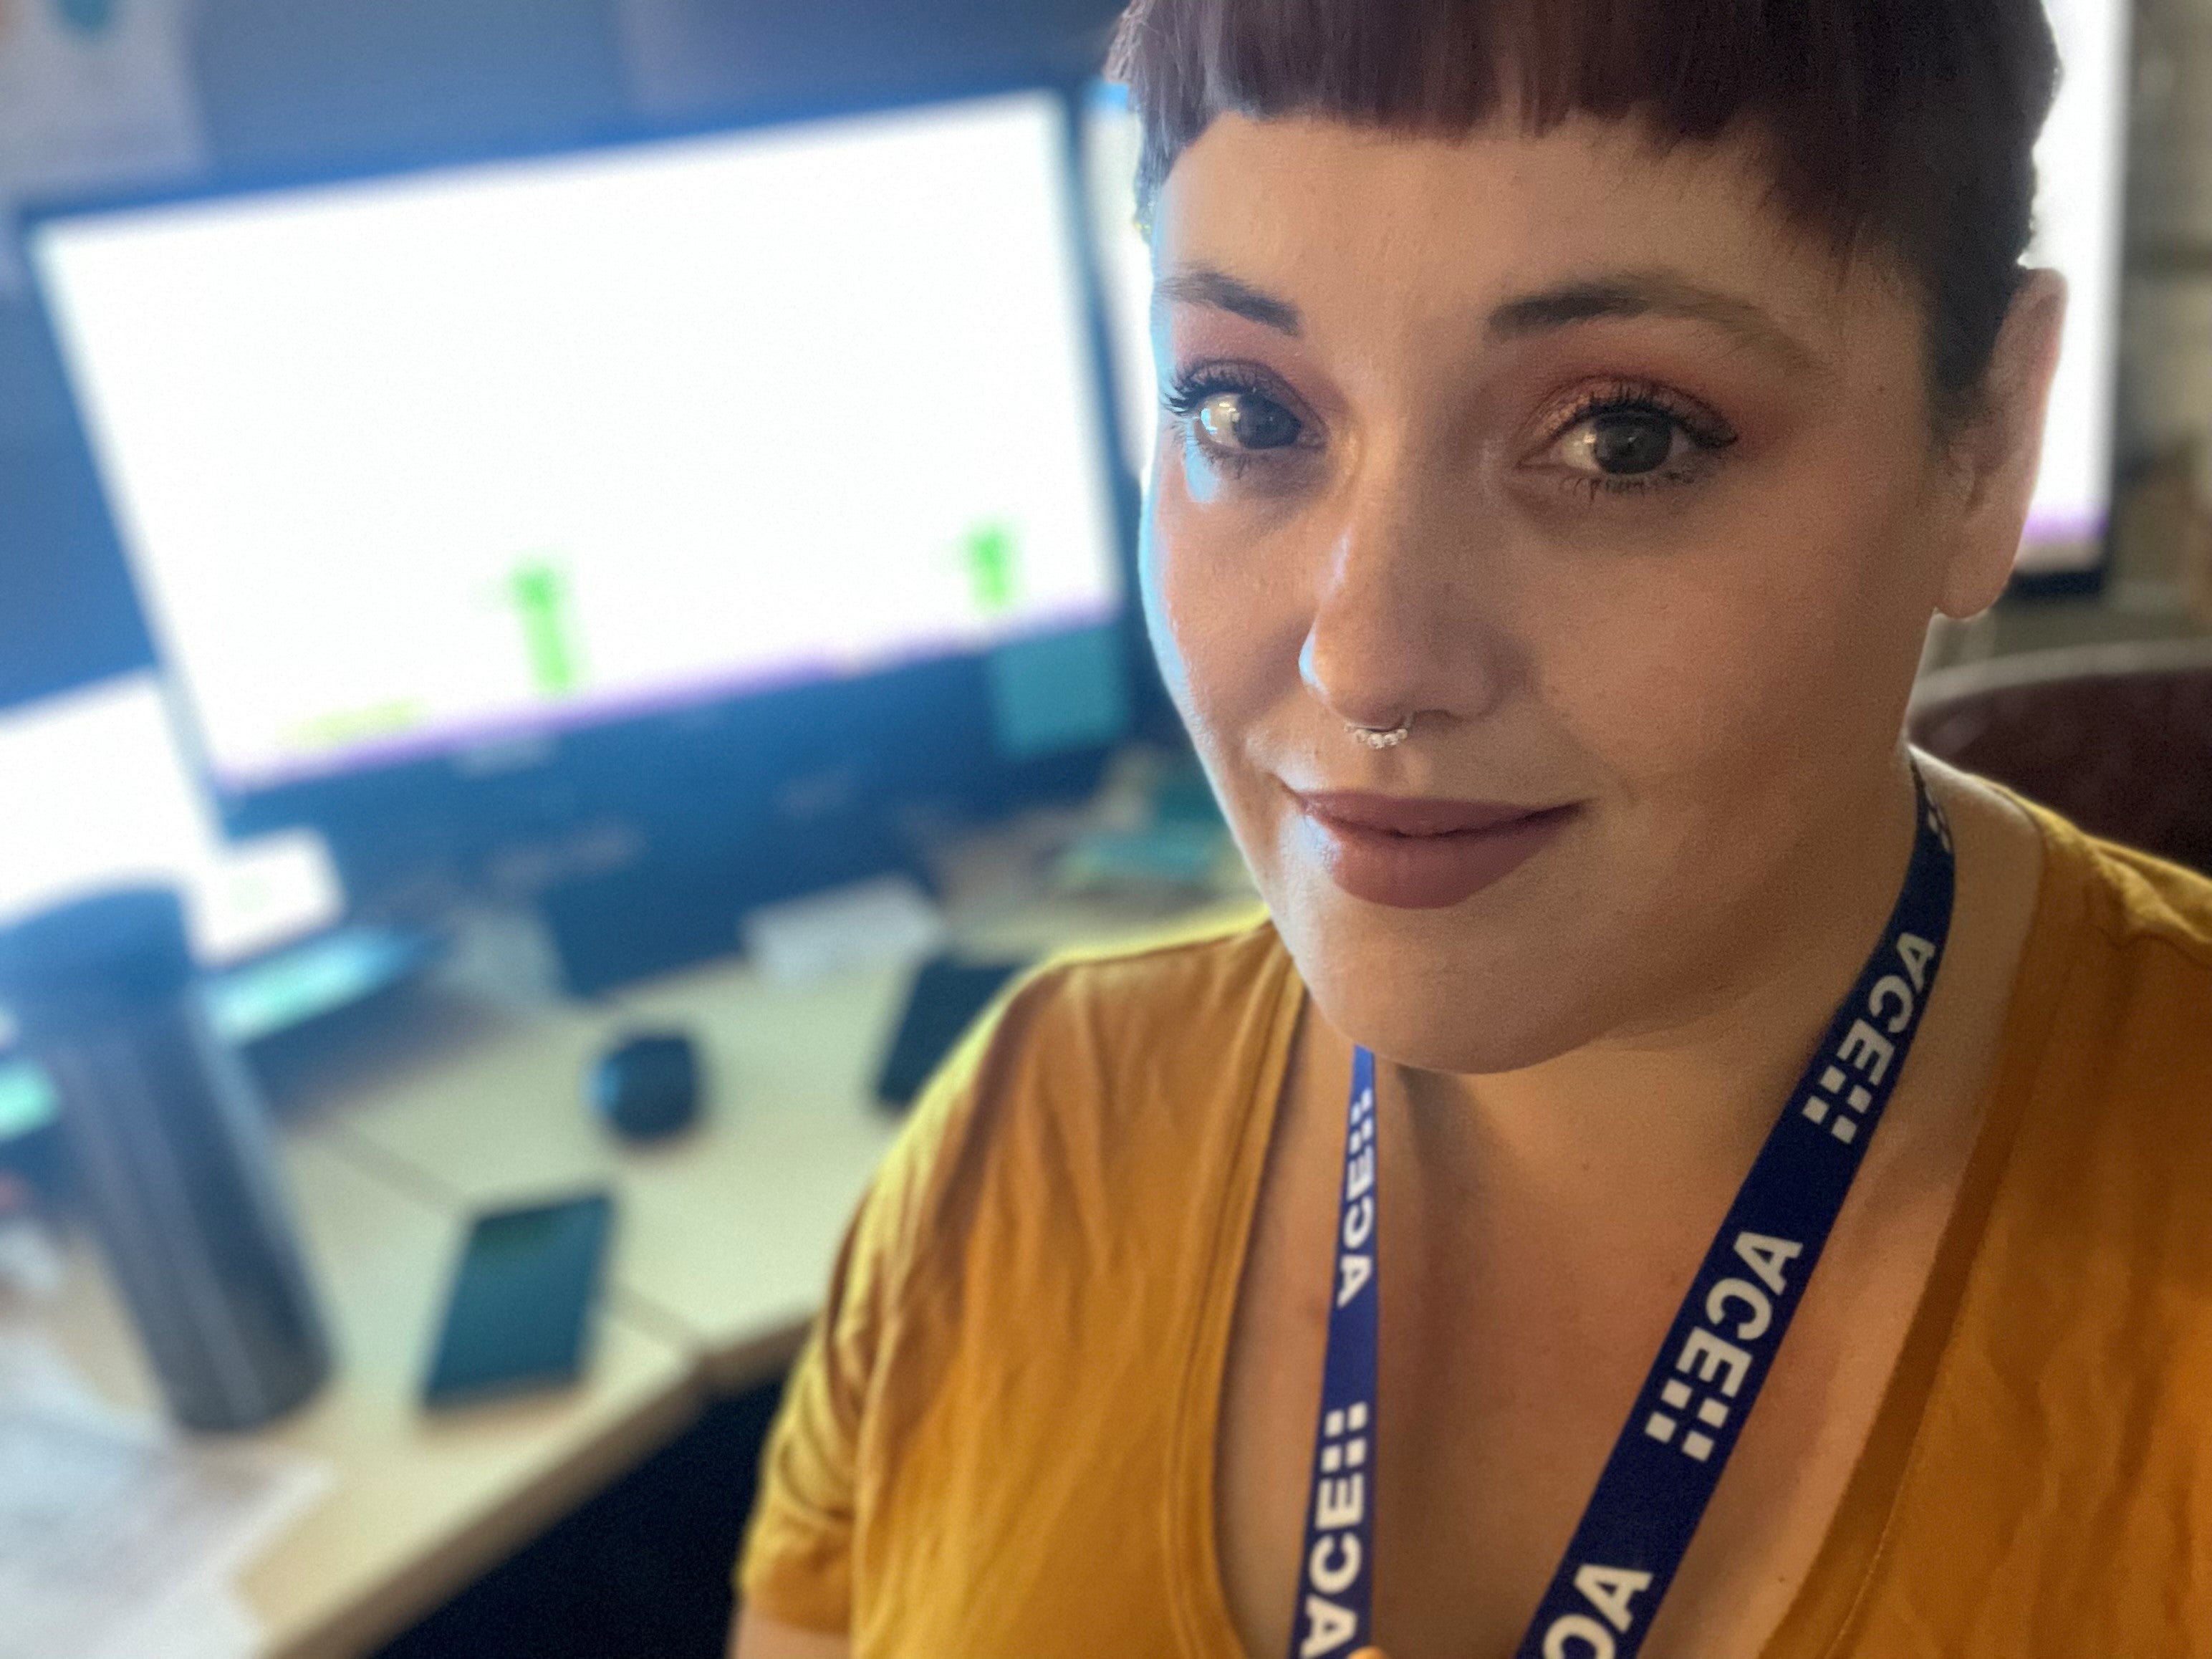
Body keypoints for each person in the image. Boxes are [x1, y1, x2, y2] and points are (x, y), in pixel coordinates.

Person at [734, 2, 2212, 1655]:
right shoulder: (1015, 1149)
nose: (1363, 660)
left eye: (1623, 435)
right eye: (1243, 410)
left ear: (1990, 438)